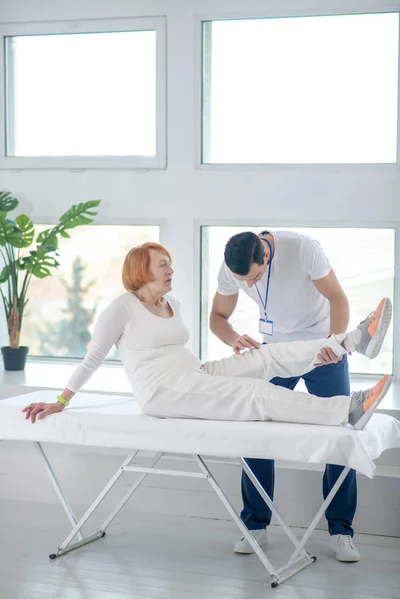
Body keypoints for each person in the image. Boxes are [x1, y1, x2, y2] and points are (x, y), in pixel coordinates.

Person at [23, 242, 391, 472]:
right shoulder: (120, 309)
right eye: (162, 264)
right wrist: (60, 401)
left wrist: (225, 354)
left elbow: (178, 350)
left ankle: (354, 340)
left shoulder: (173, 303)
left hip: (193, 374)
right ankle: (349, 410)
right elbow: (92, 359)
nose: (171, 269)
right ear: (141, 270)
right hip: (163, 392)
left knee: (266, 357)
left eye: (169, 263)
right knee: (257, 396)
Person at [209, 230, 392, 561]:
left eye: (254, 277)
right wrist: (233, 338)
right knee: (257, 431)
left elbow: (337, 297)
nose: (248, 285)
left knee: (342, 434)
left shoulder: (303, 249)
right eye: (242, 281)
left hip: (321, 349)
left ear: (265, 255)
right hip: (276, 353)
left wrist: (333, 344)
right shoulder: (233, 268)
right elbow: (217, 318)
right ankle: (255, 524)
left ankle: (340, 531)